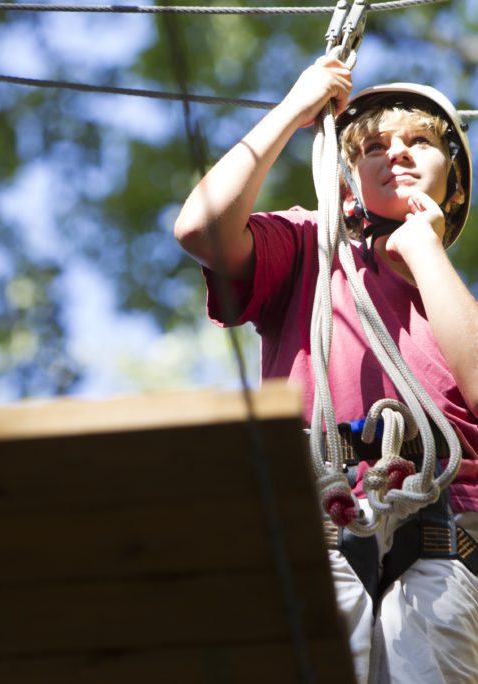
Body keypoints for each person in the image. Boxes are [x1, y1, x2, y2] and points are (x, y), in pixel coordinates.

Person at [174, 55, 478, 683]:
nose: (396, 153)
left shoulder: (454, 300)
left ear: (452, 184)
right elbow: (201, 227)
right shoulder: (309, 253)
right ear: (343, 184)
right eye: (373, 147)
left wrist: (423, 250)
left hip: (447, 542)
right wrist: (293, 109)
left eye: (418, 142)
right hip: (318, 527)